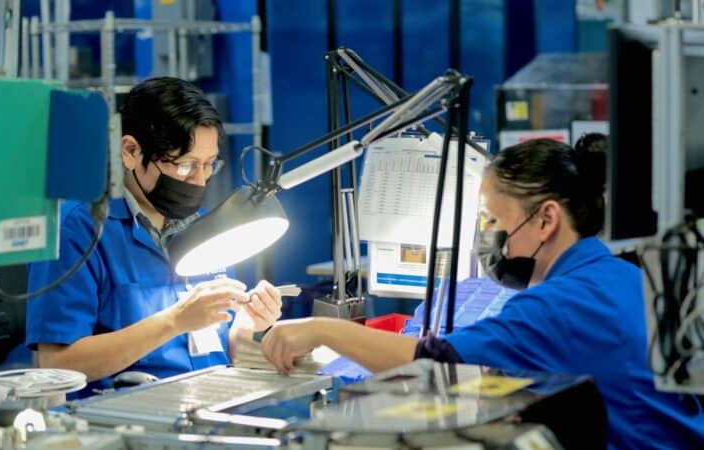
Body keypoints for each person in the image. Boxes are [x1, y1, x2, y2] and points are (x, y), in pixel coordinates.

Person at [260, 136, 704, 449]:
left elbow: (431, 362)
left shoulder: (557, 304)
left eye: (493, 220)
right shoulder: (625, 276)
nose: (487, 236)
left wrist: (322, 329)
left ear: (546, 220)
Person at [26, 77, 282, 397]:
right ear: (131, 152)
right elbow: (57, 364)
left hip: (213, 399)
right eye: (186, 166)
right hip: (127, 414)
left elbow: (219, 349)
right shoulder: (79, 231)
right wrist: (174, 321)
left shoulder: (202, 228)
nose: (200, 181)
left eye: (209, 165)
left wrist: (245, 324)